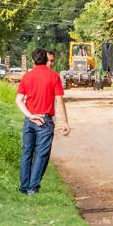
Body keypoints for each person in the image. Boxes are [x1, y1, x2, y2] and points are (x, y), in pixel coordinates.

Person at [15, 48, 70, 195]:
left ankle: (24, 187)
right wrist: (65, 122)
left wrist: (29, 115)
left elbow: (19, 100)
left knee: (27, 152)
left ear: (33, 60)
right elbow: (59, 101)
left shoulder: (27, 77)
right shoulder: (54, 77)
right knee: (41, 154)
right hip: (44, 121)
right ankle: (33, 188)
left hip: (30, 120)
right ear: (46, 59)